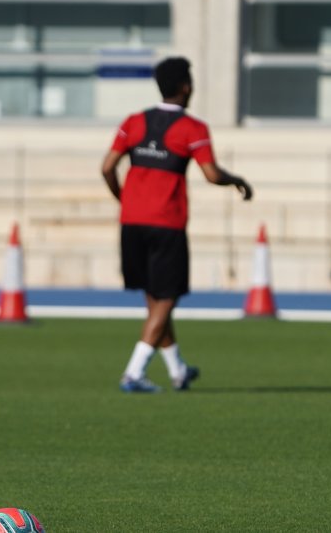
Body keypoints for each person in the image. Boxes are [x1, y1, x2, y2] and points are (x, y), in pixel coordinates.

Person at [100, 57, 252, 393]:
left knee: (155, 297)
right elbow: (211, 174)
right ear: (186, 87)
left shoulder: (133, 122)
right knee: (167, 297)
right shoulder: (192, 128)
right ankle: (134, 372)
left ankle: (178, 370)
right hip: (166, 222)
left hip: (132, 221)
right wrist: (236, 180)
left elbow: (107, 167)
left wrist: (124, 199)